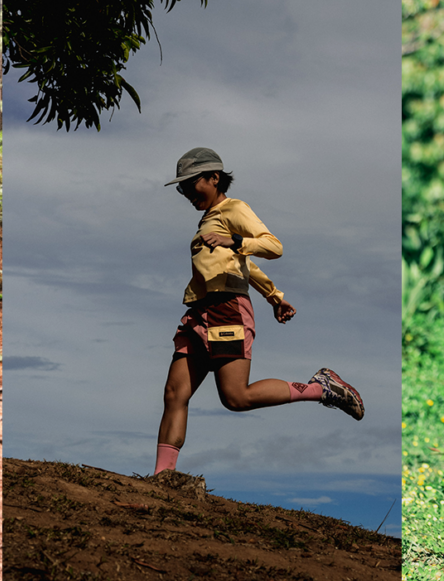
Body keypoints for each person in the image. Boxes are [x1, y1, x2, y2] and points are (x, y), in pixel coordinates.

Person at [153, 147, 364, 476]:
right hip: (198, 313)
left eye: (190, 184)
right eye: (181, 187)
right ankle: (162, 478)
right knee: (173, 393)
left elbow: (272, 245)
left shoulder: (233, 209)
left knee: (236, 397)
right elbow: (242, 265)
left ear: (214, 178)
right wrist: (273, 295)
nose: (185, 193)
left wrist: (236, 241)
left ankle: (322, 388)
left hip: (226, 310)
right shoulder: (207, 220)